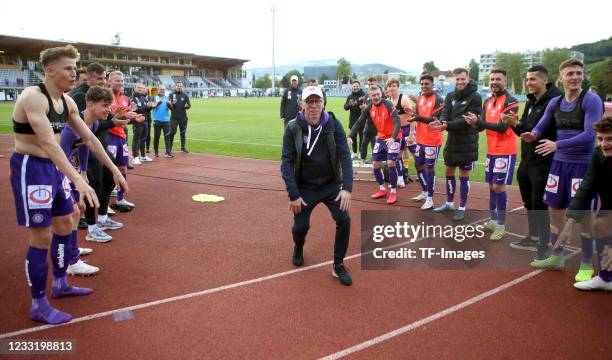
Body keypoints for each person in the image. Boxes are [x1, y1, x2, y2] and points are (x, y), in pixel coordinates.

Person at [9, 45, 128, 324]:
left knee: (66, 223)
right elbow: (48, 143)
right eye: (68, 68)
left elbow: (90, 138)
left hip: (54, 167)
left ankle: (61, 283)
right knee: (41, 236)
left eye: (75, 68)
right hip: (32, 169)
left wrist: (115, 170)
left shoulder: (68, 102)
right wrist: (78, 178)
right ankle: (38, 303)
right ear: (50, 70)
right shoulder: (33, 98)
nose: (74, 73)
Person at [522, 59, 604, 282]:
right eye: (570, 74)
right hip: (559, 165)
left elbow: (590, 136)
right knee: (554, 211)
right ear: (561, 78)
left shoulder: (591, 100)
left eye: (579, 73)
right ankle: (557, 256)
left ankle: (587, 262)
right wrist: (534, 135)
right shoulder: (556, 102)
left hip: (582, 166)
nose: (575, 77)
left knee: (584, 216)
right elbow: (542, 124)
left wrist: (557, 145)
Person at [280, 85, 353, 286]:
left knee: (344, 219)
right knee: (300, 227)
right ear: (302, 104)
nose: (313, 106)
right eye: (309, 101)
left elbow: (345, 155)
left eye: (317, 101)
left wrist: (347, 188)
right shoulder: (293, 127)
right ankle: (299, 245)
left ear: (323, 103)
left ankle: (338, 265)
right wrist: (293, 194)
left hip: (330, 185)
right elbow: (286, 162)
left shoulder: (333, 125)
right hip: (305, 187)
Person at [503, 65, 562, 258]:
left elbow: (541, 130)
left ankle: (544, 245)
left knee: (540, 203)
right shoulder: (530, 101)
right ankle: (533, 237)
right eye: (527, 79)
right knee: (529, 201)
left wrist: (517, 124)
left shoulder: (555, 101)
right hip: (527, 159)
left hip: (545, 160)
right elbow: (525, 132)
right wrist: (514, 125)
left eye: (532, 79)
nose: (528, 83)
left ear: (544, 80)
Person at [558, 116, 612, 290]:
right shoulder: (598, 155)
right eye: (600, 139)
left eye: (610, 139)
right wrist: (570, 222)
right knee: (600, 225)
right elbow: (587, 187)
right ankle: (606, 279)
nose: (604, 144)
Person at [465, 69, 519, 240]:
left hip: (506, 151)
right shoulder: (488, 101)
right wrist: (473, 122)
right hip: (491, 151)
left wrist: (479, 122)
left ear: (505, 80)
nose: (495, 82)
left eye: (498, 79)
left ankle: (501, 225)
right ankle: (493, 220)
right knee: (490, 187)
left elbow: (503, 128)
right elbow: (482, 126)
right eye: (492, 79)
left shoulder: (511, 101)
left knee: (498, 187)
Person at [429, 68, 482, 221]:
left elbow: (467, 121)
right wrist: (443, 122)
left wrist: (447, 125)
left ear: (468, 79)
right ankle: (449, 202)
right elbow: (445, 111)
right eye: (457, 79)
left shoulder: (476, 97)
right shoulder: (451, 95)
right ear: (454, 80)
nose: (459, 82)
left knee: (464, 175)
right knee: (448, 172)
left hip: (467, 142)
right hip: (452, 141)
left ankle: (462, 207)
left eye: (462, 79)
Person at [348, 85, 401, 204]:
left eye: (378, 94)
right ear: (369, 96)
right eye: (373, 95)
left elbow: (397, 123)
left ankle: (393, 191)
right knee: (376, 164)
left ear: (381, 94)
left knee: (391, 162)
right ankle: (382, 189)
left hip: (394, 137)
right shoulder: (369, 108)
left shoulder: (388, 104)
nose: (376, 97)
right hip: (381, 137)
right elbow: (359, 122)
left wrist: (393, 137)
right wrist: (350, 136)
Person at [406, 74, 445, 210]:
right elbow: (418, 115)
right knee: (418, 165)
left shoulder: (438, 100)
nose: (423, 86)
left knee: (429, 168)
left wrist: (418, 117)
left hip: (433, 141)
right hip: (420, 139)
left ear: (432, 85)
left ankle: (430, 199)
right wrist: (412, 117)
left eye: (426, 84)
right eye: (422, 84)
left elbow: (435, 121)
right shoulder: (421, 98)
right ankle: (424, 192)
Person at [107, 71, 141, 208]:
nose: (120, 83)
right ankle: (106, 205)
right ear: (109, 82)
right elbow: (104, 117)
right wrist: (125, 115)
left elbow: (123, 121)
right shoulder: (105, 96)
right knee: (108, 171)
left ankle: (120, 199)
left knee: (123, 169)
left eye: (122, 80)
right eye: (117, 80)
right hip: (108, 136)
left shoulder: (125, 99)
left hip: (121, 137)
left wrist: (133, 119)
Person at [387, 78, 414, 188]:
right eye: (389, 86)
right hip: (397, 132)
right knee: (397, 156)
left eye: (394, 85)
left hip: (407, 129)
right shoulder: (388, 100)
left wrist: (412, 134)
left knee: (417, 156)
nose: (391, 88)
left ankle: (428, 178)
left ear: (398, 87)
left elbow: (413, 117)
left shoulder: (404, 100)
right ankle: (400, 179)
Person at [130, 82, 155, 163]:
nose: (140, 89)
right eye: (138, 87)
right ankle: (135, 157)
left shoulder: (143, 98)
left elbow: (146, 110)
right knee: (136, 139)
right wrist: (146, 106)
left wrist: (151, 106)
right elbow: (135, 110)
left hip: (145, 121)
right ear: (135, 88)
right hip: (137, 121)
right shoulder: (132, 98)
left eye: (141, 88)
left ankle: (143, 156)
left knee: (143, 139)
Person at [344, 80, 366, 159]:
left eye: (357, 86)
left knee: (362, 137)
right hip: (353, 120)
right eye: (354, 86)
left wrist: (359, 104)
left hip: (362, 120)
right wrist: (350, 104)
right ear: (352, 87)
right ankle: (354, 152)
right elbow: (345, 107)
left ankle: (360, 152)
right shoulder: (350, 96)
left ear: (359, 86)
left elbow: (367, 105)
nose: (355, 87)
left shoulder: (364, 95)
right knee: (353, 137)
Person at [168, 81, 191, 153]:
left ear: (182, 87)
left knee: (183, 133)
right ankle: (169, 148)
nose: (179, 87)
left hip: (183, 118)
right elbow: (169, 107)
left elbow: (189, 105)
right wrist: (172, 104)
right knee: (172, 133)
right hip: (174, 118)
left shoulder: (185, 95)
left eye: (181, 86)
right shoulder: (171, 95)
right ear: (176, 86)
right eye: (178, 86)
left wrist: (187, 106)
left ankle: (183, 147)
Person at [152, 85, 173, 157]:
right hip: (157, 120)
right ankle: (156, 151)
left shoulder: (168, 98)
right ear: (158, 90)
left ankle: (168, 152)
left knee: (167, 136)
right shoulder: (154, 97)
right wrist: (158, 103)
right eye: (161, 89)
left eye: (163, 89)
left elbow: (171, 108)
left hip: (166, 120)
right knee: (156, 136)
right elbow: (152, 106)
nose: (162, 91)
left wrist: (170, 105)